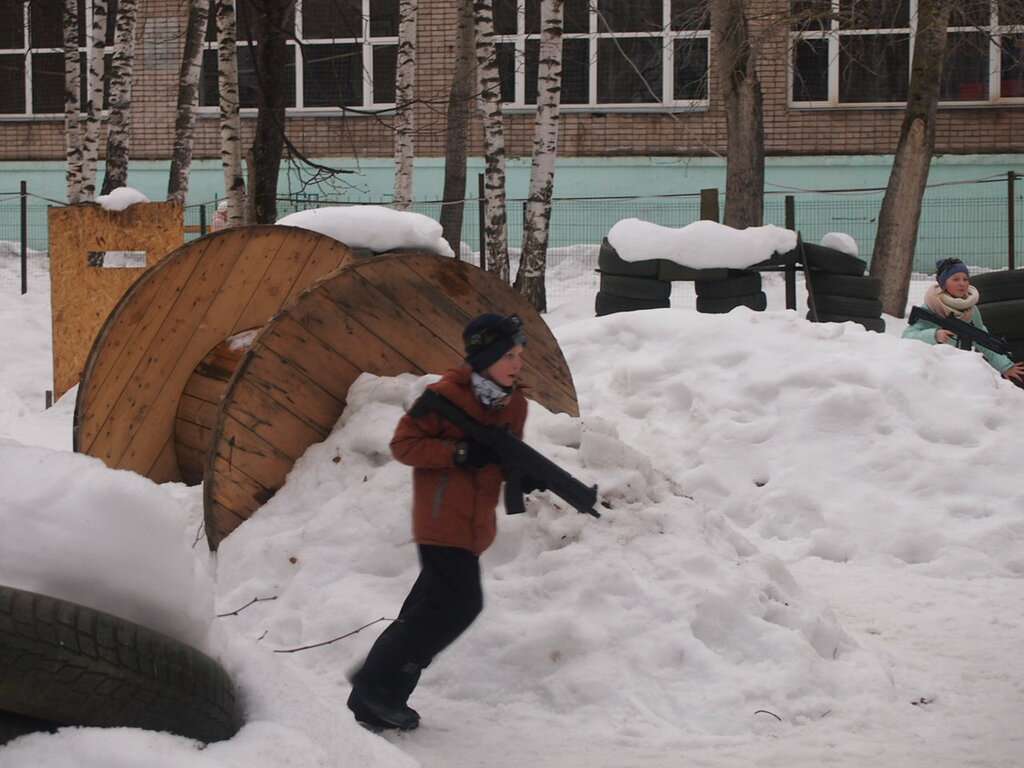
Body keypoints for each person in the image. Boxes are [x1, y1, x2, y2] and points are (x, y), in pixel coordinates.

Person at [347, 313, 529, 731]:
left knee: (425, 610)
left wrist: (523, 473)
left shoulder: (512, 404)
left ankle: (380, 697)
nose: (518, 364)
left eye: (520, 354)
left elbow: (504, 458)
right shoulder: (444, 397)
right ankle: (373, 684)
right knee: (461, 605)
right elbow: (404, 445)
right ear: (484, 358)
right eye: (508, 356)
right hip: (440, 521)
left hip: (474, 527)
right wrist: (459, 454)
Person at [903, 258, 1024, 385]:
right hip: (933, 371)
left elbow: (983, 339)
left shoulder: (970, 309)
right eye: (955, 279)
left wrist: (1005, 366)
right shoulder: (932, 307)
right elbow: (908, 336)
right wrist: (934, 335)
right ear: (943, 284)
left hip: (960, 370)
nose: (962, 283)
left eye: (965, 279)